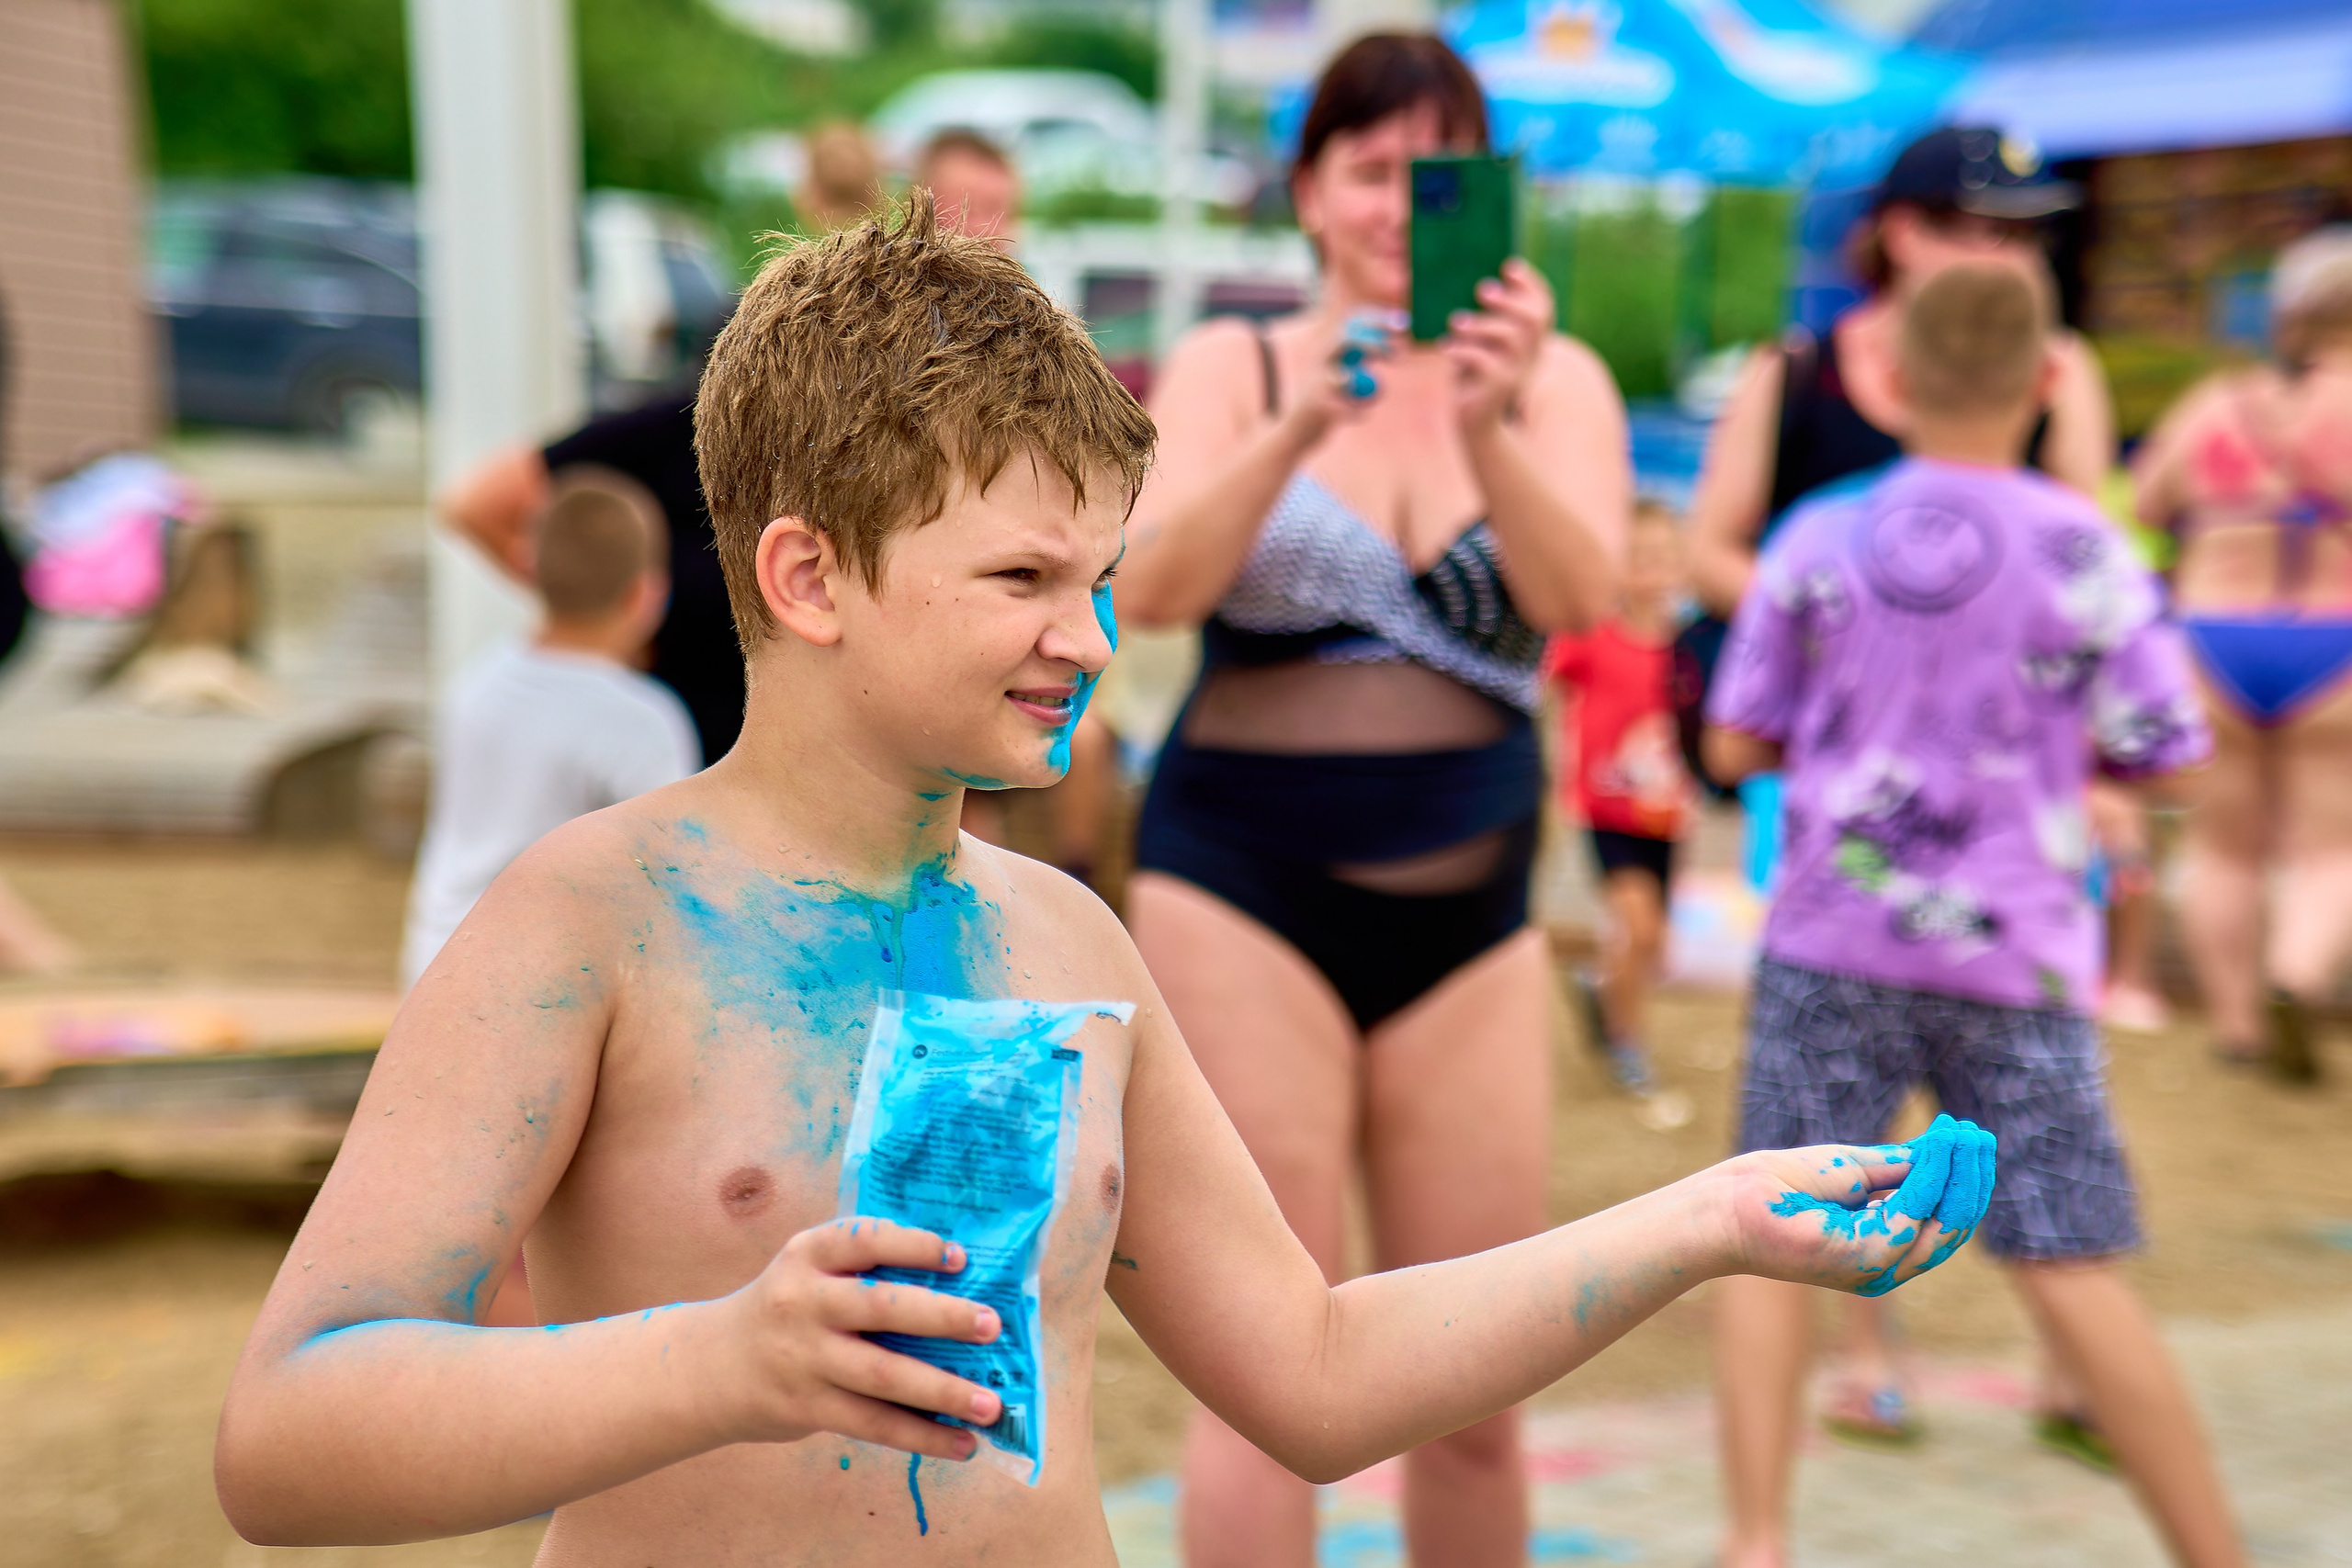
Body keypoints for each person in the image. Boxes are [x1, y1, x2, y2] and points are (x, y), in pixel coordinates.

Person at [209, 195, 1990, 1564]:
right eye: (1021, 578)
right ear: (808, 575)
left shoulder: (1065, 934)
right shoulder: (586, 921)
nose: (1089, 636)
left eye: (1104, 573)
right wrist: (720, 1359)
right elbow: (287, 1437)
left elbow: (1308, 1369)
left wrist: (1702, 1220)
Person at [1114, 33, 1630, 1565]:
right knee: (1277, 1362)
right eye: (1368, 169)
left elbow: (1582, 596)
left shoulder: (1561, 382)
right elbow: (1149, 592)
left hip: (1471, 902)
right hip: (1238, 884)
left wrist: (1488, 417)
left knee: (1476, 1377)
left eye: (1440, 171)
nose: (1403, 206)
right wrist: (1296, 428)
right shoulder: (1234, 362)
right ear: (1308, 191)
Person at [1703, 264, 2242, 1568]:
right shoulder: (2089, 546)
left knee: (1776, 1226)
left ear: (1889, 379)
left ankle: (1757, 1535)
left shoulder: (1818, 535)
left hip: (1833, 935)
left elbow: (1731, 741)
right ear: (2049, 378)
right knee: (2069, 1250)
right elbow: (2174, 749)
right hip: (2020, 948)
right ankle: (2213, 1546)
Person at [1686, 122, 2120, 1450]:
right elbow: (1714, 547)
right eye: (1971, 225)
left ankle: (2067, 1347)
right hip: (1832, 786)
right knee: (1837, 1089)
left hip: (2005, 807)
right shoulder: (1798, 369)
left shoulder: (2062, 369)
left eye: (2020, 232)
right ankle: (1868, 1342)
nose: (1998, 253)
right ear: (1896, 231)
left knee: (2028, 1079)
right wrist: (1839, 639)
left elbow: (2076, 565)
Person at [2132, 225, 2352, 1083]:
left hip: (2214, 635)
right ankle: (2296, 975)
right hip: (2335, 639)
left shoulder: (2218, 404)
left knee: (2222, 846)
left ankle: (2237, 1027)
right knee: (2330, 845)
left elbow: (2148, 499)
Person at [400, 468, 698, 991]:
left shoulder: (475, 685)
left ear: (529, 567)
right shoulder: (643, 721)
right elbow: (672, 883)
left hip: (436, 965)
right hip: (542, 990)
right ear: (646, 594)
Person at [1544, 502, 1693, 1096]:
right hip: (1605, 813)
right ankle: (1628, 1042)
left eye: (1662, 558)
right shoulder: (1589, 639)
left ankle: (1599, 985)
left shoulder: (1688, 651)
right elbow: (1537, 683)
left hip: (1668, 815)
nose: (1650, 572)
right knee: (1636, 923)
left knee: (1652, 941)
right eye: (1638, 558)